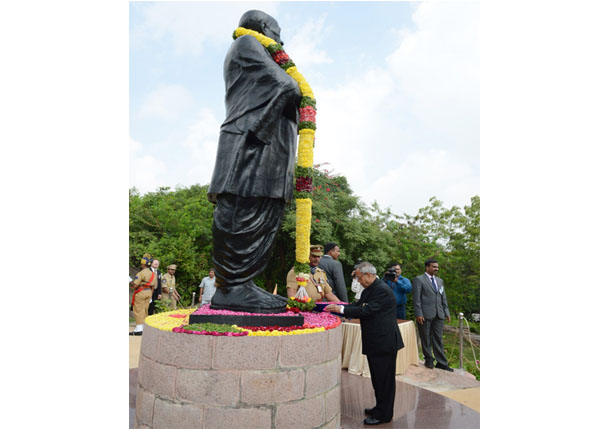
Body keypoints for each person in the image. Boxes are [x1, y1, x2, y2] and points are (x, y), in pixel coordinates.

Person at [206, 9, 301, 313]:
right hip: (250, 142)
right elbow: (287, 87)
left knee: (262, 212)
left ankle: (242, 286)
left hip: (268, 150)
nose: (280, 39)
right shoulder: (247, 43)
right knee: (241, 210)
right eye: (276, 31)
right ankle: (232, 286)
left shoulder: (259, 50)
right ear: (261, 28)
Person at [324, 262, 404, 425]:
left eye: (359, 277)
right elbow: (358, 305)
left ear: (369, 275)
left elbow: (367, 310)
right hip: (376, 341)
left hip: (384, 342)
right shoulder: (371, 289)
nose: (358, 281)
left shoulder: (381, 290)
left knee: (384, 380)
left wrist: (341, 310)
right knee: (378, 378)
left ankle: (384, 415)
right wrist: (340, 306)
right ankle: (379, 407)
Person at [412, 258, 453, 371]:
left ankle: (442, 362)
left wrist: (446, 312)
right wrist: (419, 313)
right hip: (425, 314)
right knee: (425, 337)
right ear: (427, 267)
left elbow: (443, 297)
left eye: (437, 267)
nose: (436, 269)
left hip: (439, 314)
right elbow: (416, 299)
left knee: (438, 338)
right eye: (434, 267)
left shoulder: (440, 281)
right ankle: (429, 360)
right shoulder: (419, 280)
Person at [130, 257, 160, 335]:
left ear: (143, 264)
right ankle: (143, 327)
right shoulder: (153, 274)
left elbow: (135, 285)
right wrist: (150, 296)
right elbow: (154, 286)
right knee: (145, 310)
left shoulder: (141, 273)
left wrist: (130, 281)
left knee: (139, 310)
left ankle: (138, 329)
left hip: (141, 292)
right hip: (149, 292)